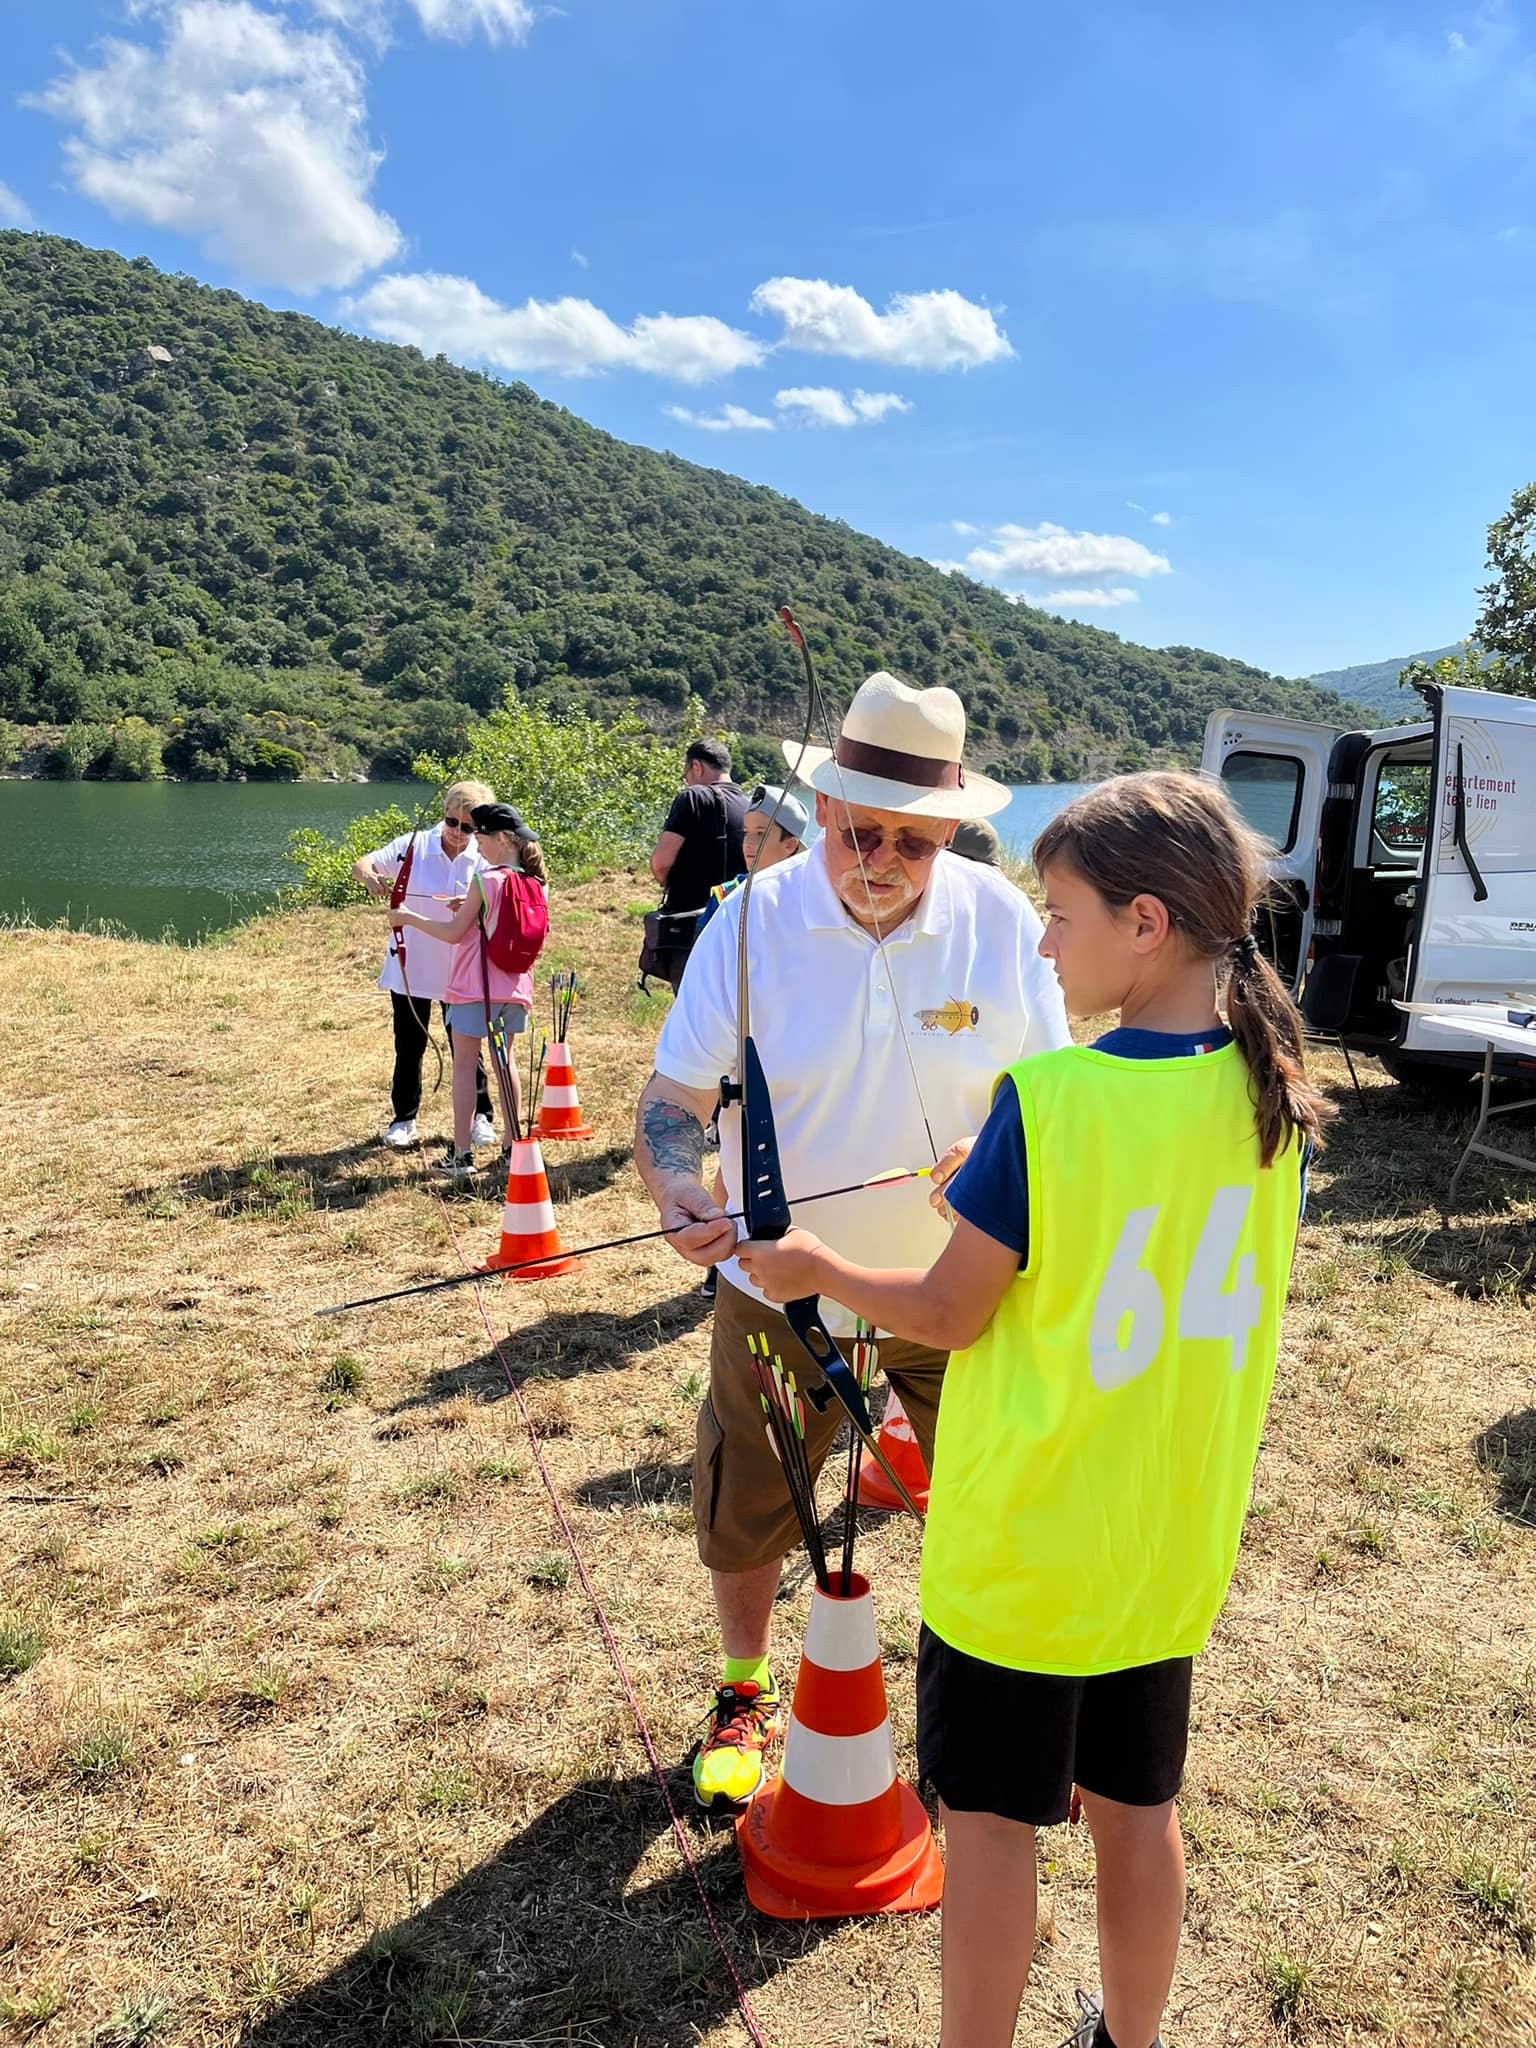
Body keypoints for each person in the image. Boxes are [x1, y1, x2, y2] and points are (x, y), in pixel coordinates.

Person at [736, 772, 1331, 2048]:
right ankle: (1130, 2033)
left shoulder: (1052, 1099)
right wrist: (993, 1199)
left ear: (1147, 922)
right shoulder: (1266, 1094)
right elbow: (1132, 1241)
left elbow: (949, 1313)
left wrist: (820, 1265)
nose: (1042, 939)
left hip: (1026, 1550)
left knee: (996, 1822)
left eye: (1059, 914)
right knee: (1136, 1802)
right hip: (1160, 1543)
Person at [632, 669, 1071, 1811]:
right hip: (779, 1278)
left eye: (912, 844)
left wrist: (999, 1171)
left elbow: (1056, 1099)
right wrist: (683, 1192)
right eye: (858, 831)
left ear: (950, 834)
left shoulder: (1007, 921)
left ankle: (992, 1701)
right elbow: (673, 1103)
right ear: (820, 808)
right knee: (744, 1499)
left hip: (958, 1278)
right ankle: (742, 1686)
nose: (879, 861)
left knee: (998, 1491)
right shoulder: (748, 923)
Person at [388, 803, 549, 1177]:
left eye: (481, 834)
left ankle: (461, 1155)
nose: (474, 840)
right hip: (516, 989)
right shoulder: (534, 882)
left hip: (475, 989)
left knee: (464, 1066)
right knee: (505, 1063)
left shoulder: (485, 880)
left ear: (503, 839)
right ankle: (513, 1147)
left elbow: (453, 933)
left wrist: (408, 918)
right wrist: (473, 910)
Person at [352, 782, 496, 1150]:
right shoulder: (415, 845)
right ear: (444, 813)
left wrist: (471, 903)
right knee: (409, 1043)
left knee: (466, 1044)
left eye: (469, 827)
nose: (458, 833)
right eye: (452, 822)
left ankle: (481, 1116)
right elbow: (363, 863)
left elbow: (501, 895)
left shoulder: (485, 853)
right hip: (411, 962)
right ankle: (404, 1119)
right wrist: (369, 876)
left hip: (460, 966)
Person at [646, 740, 748, 993]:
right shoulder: (749, 806)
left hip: (689, 929)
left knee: (690, 1011)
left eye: (686, 775)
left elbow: (661, 863)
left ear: (697, 766)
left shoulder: (693, 797)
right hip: (735, 928)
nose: (687, 781)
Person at [693, 782, 810, 946]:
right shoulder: (726, 895)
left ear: (790, 845)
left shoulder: (809, 898)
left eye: (760, 834)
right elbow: (701, 960)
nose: (748, 843)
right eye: (746, 833)